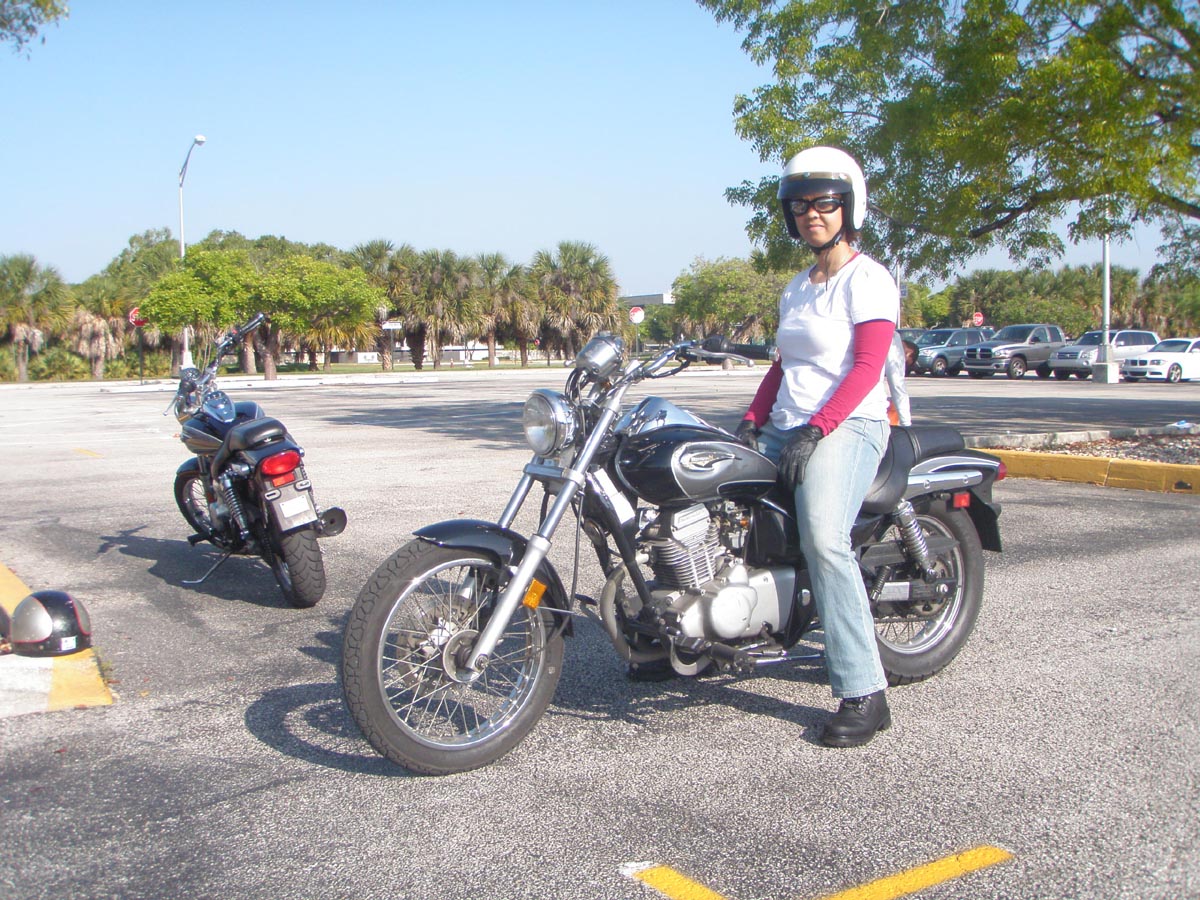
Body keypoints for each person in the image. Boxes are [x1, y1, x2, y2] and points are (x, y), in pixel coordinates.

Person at [734, 146, 899, 747]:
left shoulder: (868, 278)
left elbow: (867, 368)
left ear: (848, 207)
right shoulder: (797, 289)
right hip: (789, 422)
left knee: (825, 540)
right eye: (800, 205)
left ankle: (864, 692)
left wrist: (818, 427)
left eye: (825, 203)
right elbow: (783, 367)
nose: (812, 214)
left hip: (850, 424)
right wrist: (751, 419)